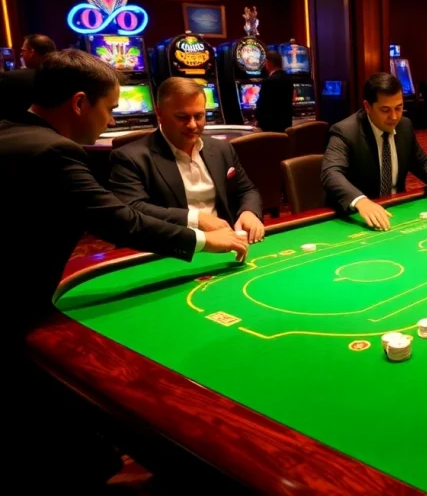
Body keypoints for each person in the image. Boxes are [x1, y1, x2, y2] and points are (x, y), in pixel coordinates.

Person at [0, 49, 246, 489]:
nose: (112, 120)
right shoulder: (54, 151)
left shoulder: (11, 131)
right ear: (79, 103)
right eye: (111, 108)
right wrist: (208, 240)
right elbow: (120, 220)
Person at [109, 77, 266, 243]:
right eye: (182, 117)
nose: (192, 125)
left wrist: (249, 211)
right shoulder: (130, 157)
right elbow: (132, 209)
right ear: (160, 113)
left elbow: (247, 190)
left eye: (199, 116)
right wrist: (195, 219)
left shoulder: (222, 149)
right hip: (171, 247)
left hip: (226, 242)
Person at [322, 72, 427, 231]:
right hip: (358, 217)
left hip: (395, 212)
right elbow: (331, 173)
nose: (394, 117)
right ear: (367, 107)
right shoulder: (345, 131)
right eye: (385, 110)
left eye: (399, 108)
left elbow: (422, 161)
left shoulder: (405, 126)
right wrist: (361, 201)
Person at [0, 33, 56, 122]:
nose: (21, 54)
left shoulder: (10, 78)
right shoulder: (67, 75)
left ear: (31, 52)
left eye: (23, 50)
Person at [255, 50, 294, 132]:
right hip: (286, 124)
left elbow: (262, 105)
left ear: (269, 62)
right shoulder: (288, 79)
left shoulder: (269, 81)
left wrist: (257, 120)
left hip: (270, 126)